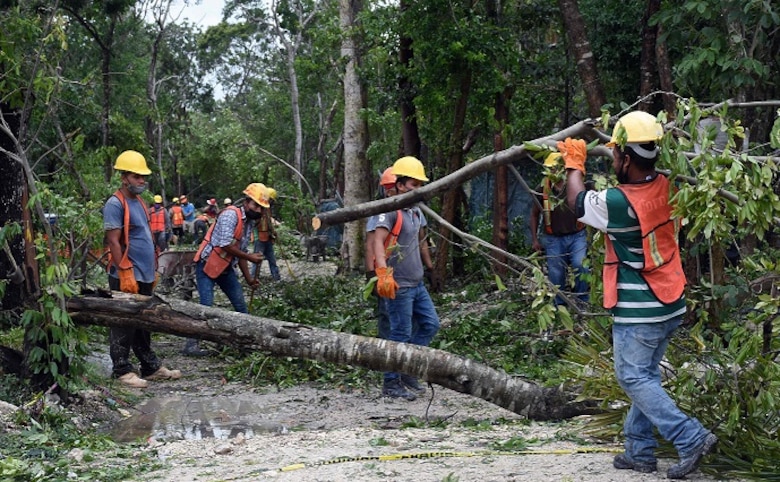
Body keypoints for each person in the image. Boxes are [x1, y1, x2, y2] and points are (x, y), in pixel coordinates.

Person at [561, 111, 717, 479]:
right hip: (671, 300)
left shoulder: (618, 203)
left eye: (617, 155)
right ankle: (639, 450)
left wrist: (573, 165)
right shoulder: (670, 185)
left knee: (633, 377)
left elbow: (577, 203)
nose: (613, 159)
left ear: (627, 160)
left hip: (640, 308)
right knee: (644, 374)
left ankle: (689, 436)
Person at [103, 150, 181, 388]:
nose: (142, 181)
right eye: (137, 177)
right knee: (123, 322)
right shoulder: (115, 204)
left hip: (144, 273)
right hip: (126, 273)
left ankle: (150, 367)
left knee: (143, 322)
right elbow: (114, 241)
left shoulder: (140, 203)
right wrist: (125, 270)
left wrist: (152, 269)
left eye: (143, 177)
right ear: (124, 177)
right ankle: (122, 370)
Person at [372, 156, 439, 401]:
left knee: (431, 324)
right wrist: (382, 273)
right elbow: (377, 242)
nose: (417, 190)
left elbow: (421, 242)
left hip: (417, 284)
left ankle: (407, 369)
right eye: (413, 185)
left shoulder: (416, 212)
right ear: (399, 185)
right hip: (398, 284)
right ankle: (391, 382)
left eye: (420, 185)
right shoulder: (388, 211)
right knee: (399, 333)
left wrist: (430, 268)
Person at [186, 183, 265, 356]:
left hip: (226, 267)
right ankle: (191, 345)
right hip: (207, 264)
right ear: (246, 202)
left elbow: (241, 252)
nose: (258, 210)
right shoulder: (231, 215)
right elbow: (226, 244)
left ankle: (246, 342)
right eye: (255, 205)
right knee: (206, 307)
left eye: (261, 208)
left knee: (240, 306)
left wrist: (249, 279)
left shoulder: (249, 223)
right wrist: (251, 258)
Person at [529, 152, 590, 307]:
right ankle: (559, 306)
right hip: (553, 238)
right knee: (556, 273)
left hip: (577, 235)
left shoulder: (575, 184)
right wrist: (535, 239)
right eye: (551, 168)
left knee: (580, 265)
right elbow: (534, 214)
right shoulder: (543, 188)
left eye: (557, 167)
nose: (554, 171)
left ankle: (582, 303)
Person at [365, 168, 399, 340]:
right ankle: (386, 353)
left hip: (404, 272)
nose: (388, 191)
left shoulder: (411, 211)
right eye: (386, 187)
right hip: (384, 270)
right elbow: (371, 243)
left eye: (391, 186)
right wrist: (371, 272)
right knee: (386, 313)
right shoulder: (380, 213)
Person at [250, 187, 280, 282]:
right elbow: (254, 223)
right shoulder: (258, 208)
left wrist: (273, 232)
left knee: (272, 260)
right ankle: (253, 279)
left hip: (267, 238)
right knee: (257, 260)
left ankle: (277, 278)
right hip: (259, 238)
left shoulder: (268, 209)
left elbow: (269, 223)